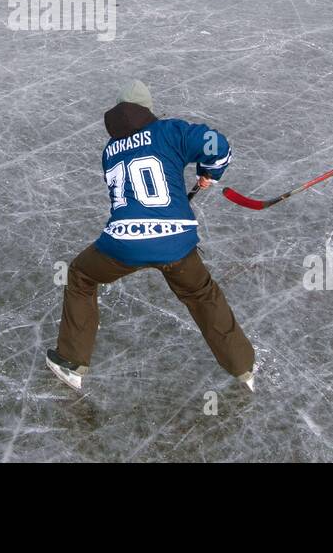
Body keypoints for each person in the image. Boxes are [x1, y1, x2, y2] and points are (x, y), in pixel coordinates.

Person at [46, 80, 255, 392]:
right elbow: (217, 143)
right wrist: (210, 170)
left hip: (122, 243)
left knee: (80, 276)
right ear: (147, 109)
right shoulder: (170, 131)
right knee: (201, 294)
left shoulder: (109, 150)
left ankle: (71, 362)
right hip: (176, 242)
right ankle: (243, 368)